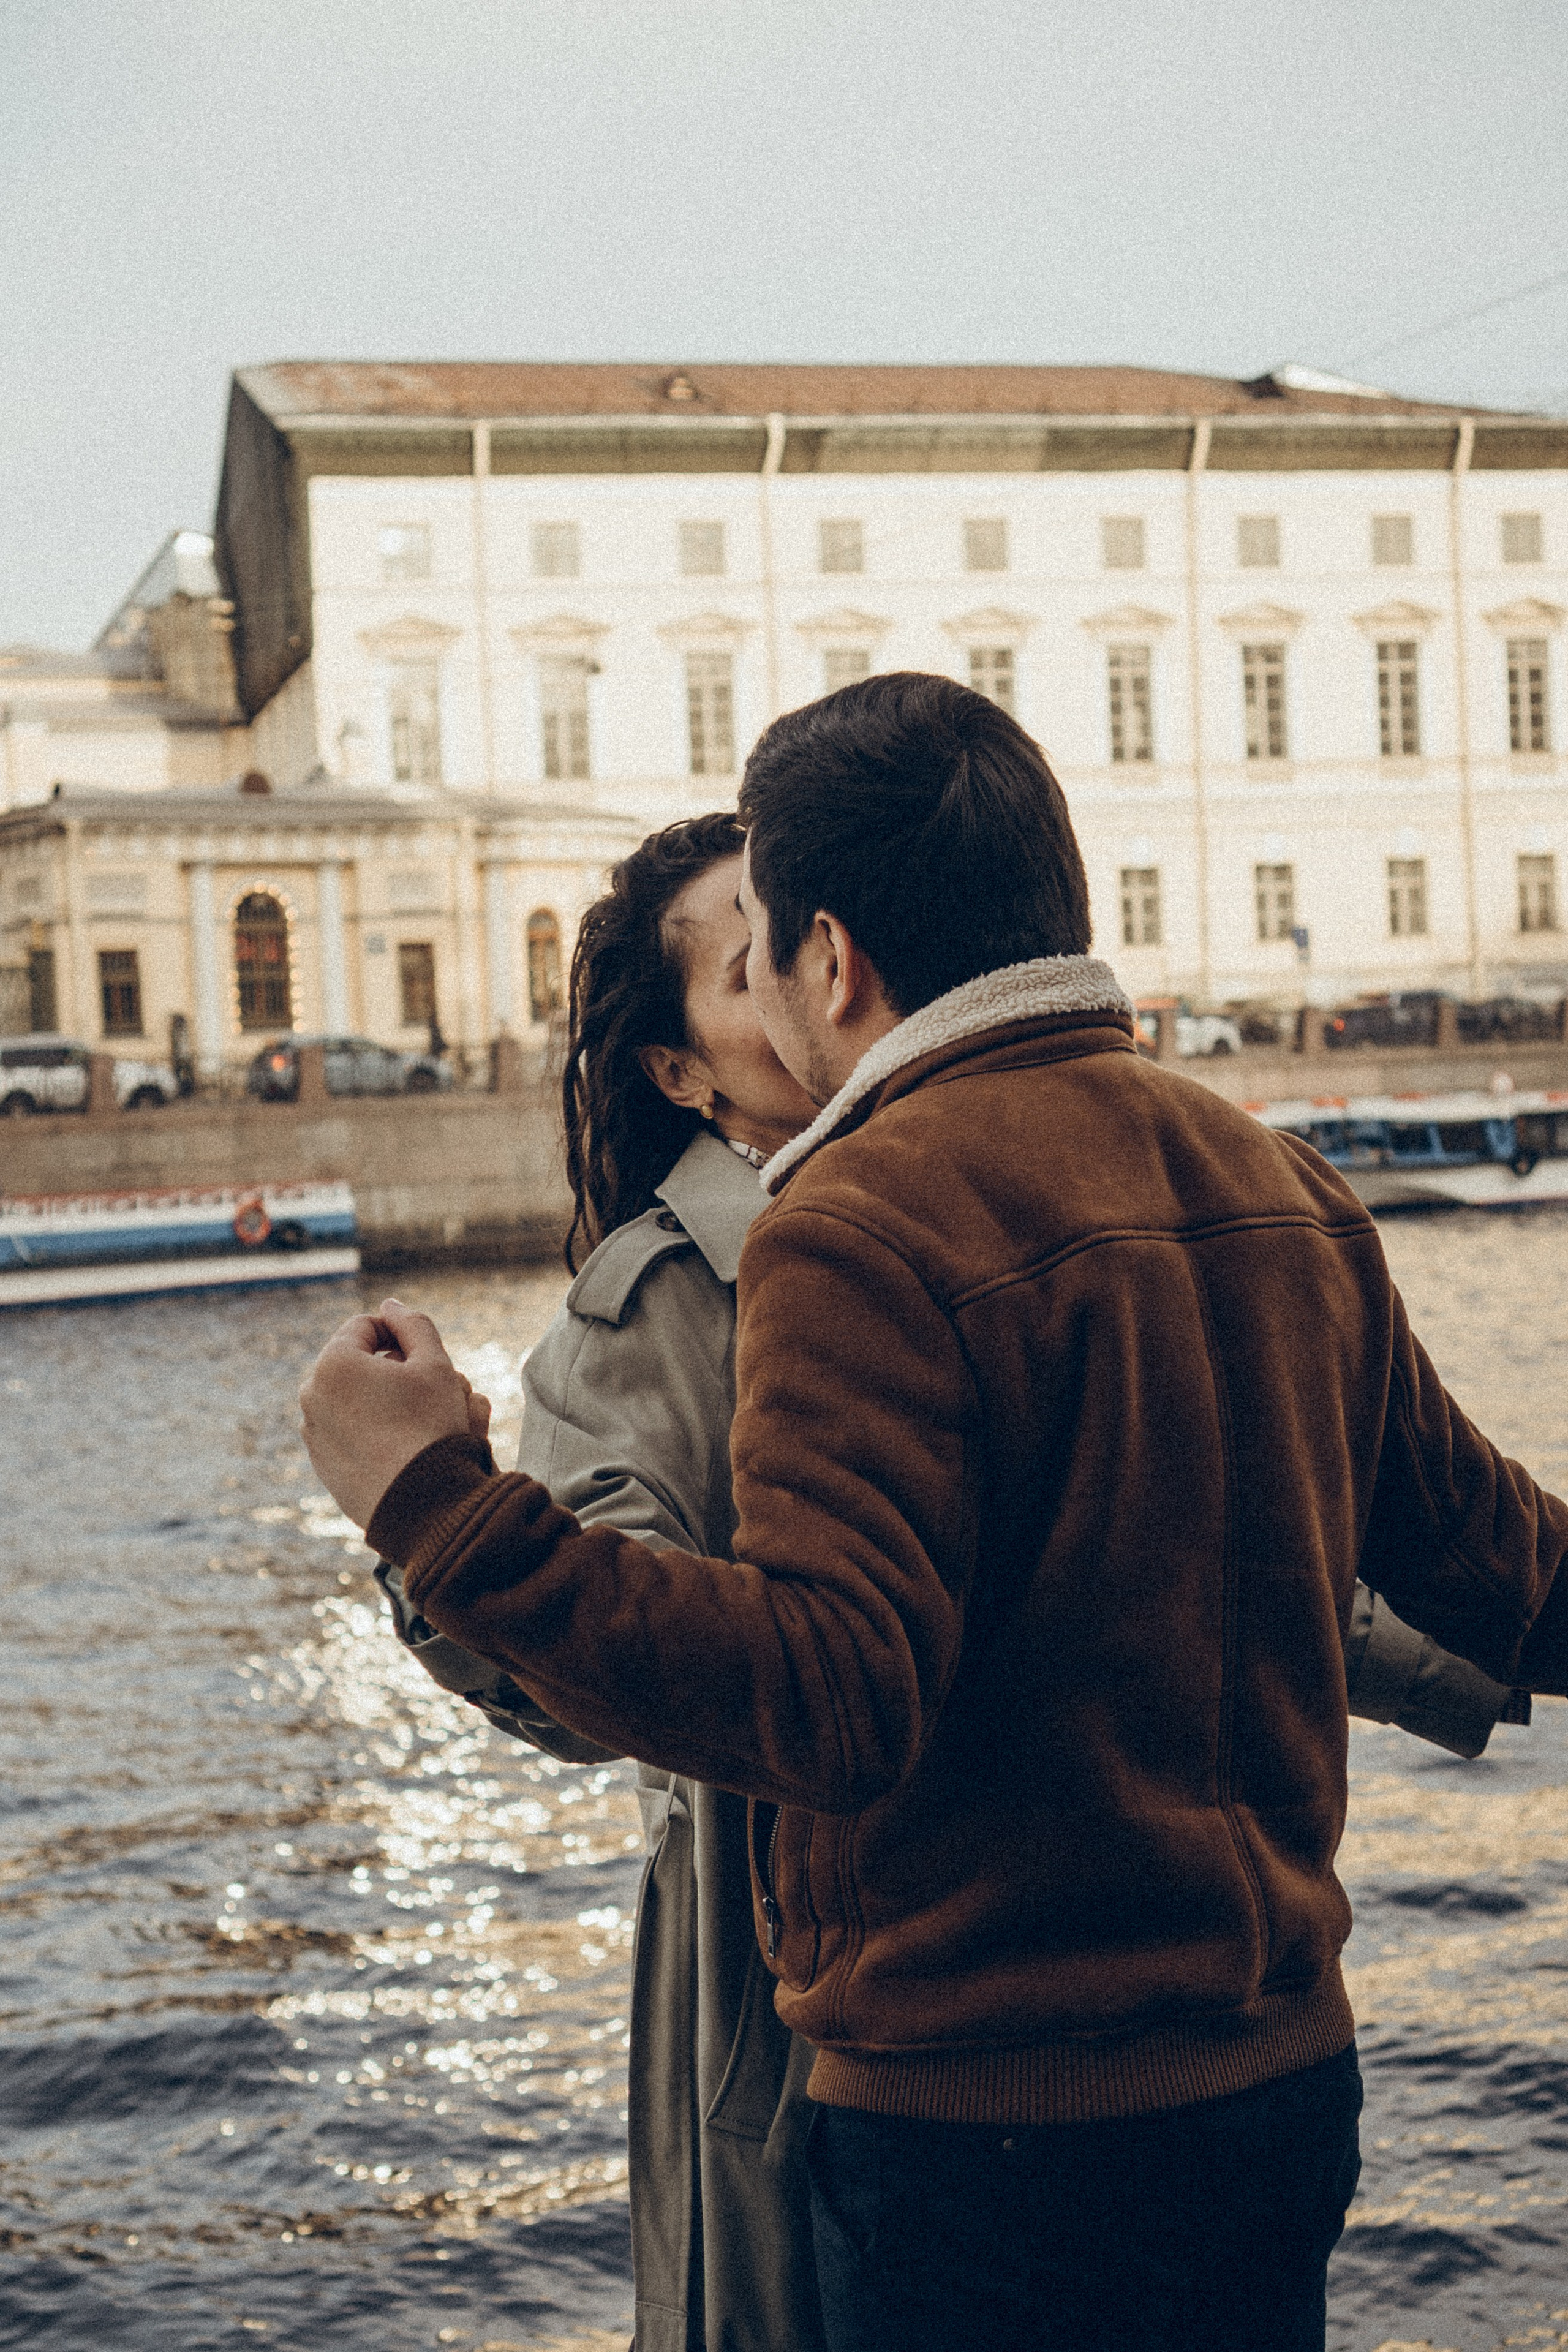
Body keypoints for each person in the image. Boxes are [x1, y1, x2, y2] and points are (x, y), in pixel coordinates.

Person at [303, 674, 1568, 2351]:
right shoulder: (1279, 1179)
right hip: (1280, 2086)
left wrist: (436, 1507)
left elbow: (833, 1699)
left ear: (834, 963)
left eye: (767, 952)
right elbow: (1516, 1579)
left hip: (994, 2132)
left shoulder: (860, 1216)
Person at [383, 814, 828, 2352]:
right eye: (743, 961)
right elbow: (592, 1686)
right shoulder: (646, 1313)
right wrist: (430, 1518)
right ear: (682, 1074)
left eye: (800, 926)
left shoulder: (957, 1201)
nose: (802, 973)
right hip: (778, 2002)